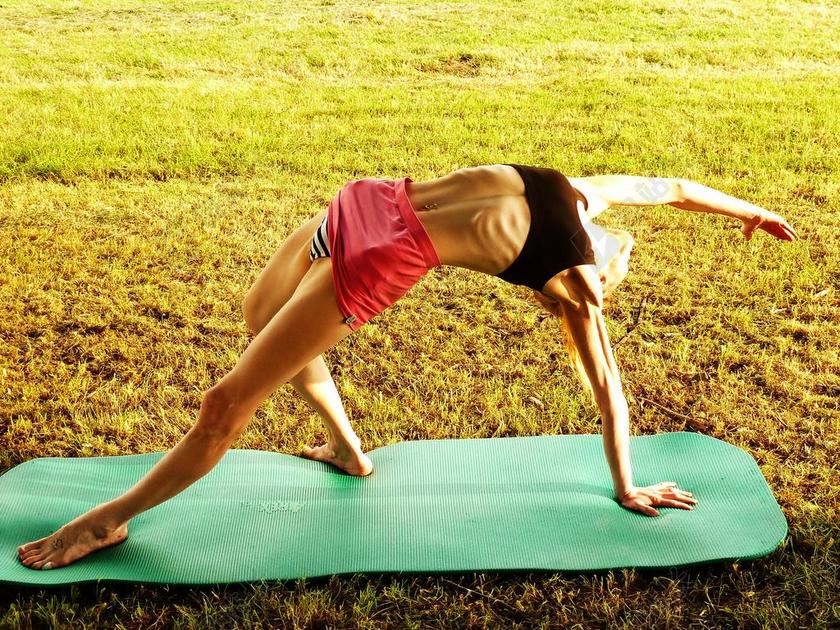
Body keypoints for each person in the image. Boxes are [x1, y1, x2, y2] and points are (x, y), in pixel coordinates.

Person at [17, 163, 798, 570]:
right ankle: (350, 452)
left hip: (382, 253)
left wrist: (627, 484)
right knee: (260, 317)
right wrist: (752, 211)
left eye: (612, 268)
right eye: (621, 254)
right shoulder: (585, 195)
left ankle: (108, 520)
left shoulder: (580, 288)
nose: (618, 259)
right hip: (365, 204)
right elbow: (675, 187)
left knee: (228, 401)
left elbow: (610, 397)